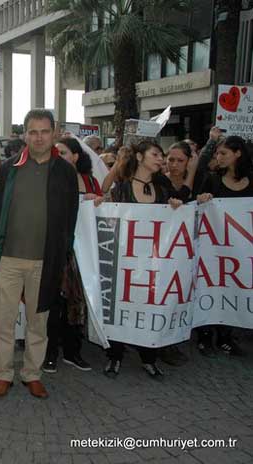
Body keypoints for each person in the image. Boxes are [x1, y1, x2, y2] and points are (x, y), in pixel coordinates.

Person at [0, 109, 79, 400]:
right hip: (9, 259)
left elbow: (70, 218)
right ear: (25, 134)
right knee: (3, 321)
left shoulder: (65, 172)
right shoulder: (9, 168)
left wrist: (63, 255)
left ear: (54, 133)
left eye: (44, 131)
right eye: (33, 132)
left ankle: (32, 374)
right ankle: (2, 374)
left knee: (39, 322)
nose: (38, 137)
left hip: (45, 261)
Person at [104, 141, 184, 380]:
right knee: (121, 305)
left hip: (153, 263)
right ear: (139, 157)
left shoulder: (163, 188)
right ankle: (114, 356)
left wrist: (175, 206)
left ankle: (149, 358)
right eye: (156, 154)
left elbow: (176, 217)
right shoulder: (122, 188)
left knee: (149, 307)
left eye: (162, 155)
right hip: (126, 261)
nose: (161, 159)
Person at [42, 137, 101, 374]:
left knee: (77, 304)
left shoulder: (90, 182)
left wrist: (97, 202)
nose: (59, 156)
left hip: (83, 254)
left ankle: (73, 351)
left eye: (63, 153)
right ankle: (50, 353)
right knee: (53, 303)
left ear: (76, 156)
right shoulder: (49, 180)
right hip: (56, 250)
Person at [195, 135, 253, 357]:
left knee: (233, 287)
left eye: (223, 153)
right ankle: (205, 336)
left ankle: (226, 337)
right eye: (217, 153)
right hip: (214, 249)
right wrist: (202, 199)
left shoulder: (251, 180)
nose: (218, 157)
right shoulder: (212, 179)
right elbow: (198, 202)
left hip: (240, 250)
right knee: (211, 286)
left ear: (237, 154)